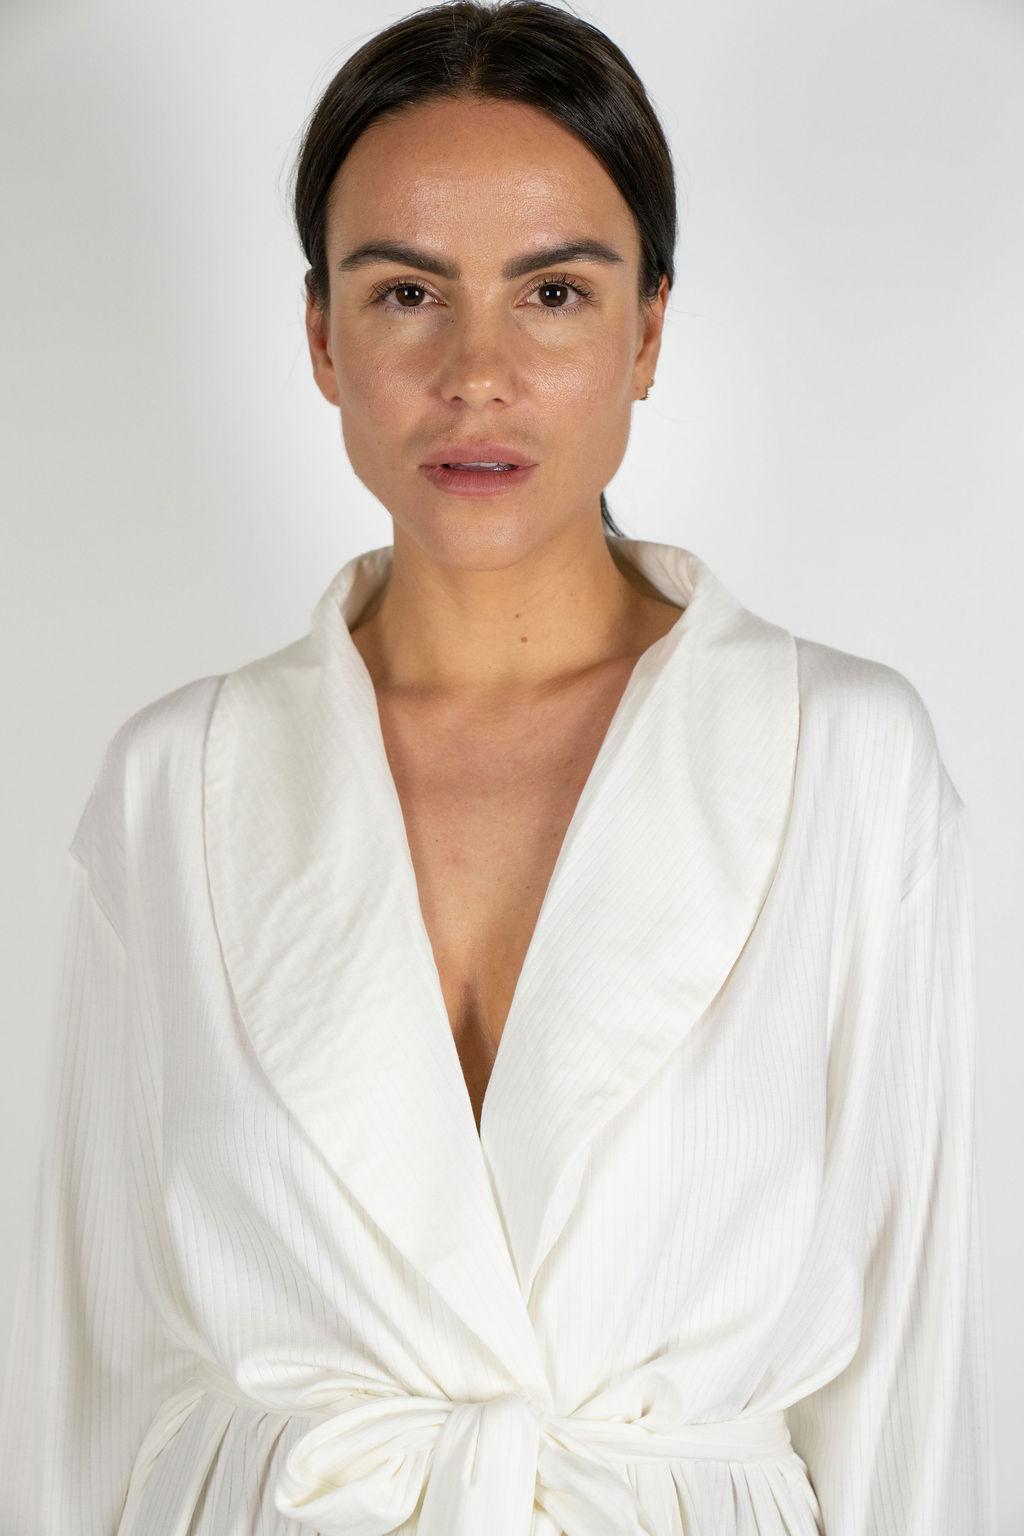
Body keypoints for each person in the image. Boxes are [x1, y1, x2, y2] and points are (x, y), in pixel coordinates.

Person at [0, 3, 997, 1533]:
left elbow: (913, 1384)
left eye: (553, 292)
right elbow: (88, 1384)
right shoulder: (177, 786)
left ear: (647, 332)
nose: (477, 372)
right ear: (323, 336)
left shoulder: (844, 761)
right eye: (407, 291)